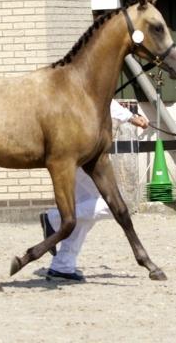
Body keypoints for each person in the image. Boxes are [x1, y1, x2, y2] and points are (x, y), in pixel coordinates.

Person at [40, 100, 148, 282]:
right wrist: (131, 118)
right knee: (109, 205)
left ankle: (62, 266)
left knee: (85, 216)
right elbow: (101, 100)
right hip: (86, 158)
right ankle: (54, 217)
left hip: (77, 157)